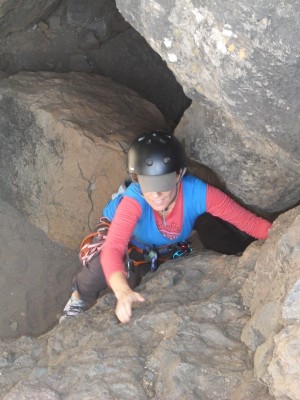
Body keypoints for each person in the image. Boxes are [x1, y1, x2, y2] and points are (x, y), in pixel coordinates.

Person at [60, 130, 272, 324]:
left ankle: (232, 252)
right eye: (148, 184)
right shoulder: (135, 199)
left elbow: (250, 223)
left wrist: (277, 236)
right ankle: (79, 298)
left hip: (163, 240)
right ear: (136, 180)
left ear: (179, 175)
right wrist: (121, 290)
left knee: (142, 271)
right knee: (102, 268)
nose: (156, 194)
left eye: (163, 182)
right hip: (127, 234)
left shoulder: (198, 193)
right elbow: (113, 248)